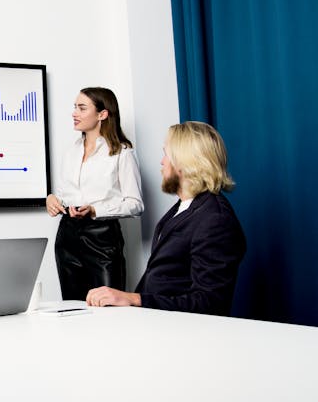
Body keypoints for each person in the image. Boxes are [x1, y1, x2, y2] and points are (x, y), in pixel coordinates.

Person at [86, 121, 246, 315]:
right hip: (157, 324)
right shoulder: (182, 207)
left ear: (185, 163)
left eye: (166, 154)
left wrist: (134, 299)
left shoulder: (215, 220)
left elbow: (209, 303)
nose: (162, 162)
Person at [46, 87, 143, 300]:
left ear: (102, 114)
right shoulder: (71, 152)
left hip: (102, 238)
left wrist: (95, 210)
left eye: (82, 108)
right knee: (72, 310)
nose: (74, 113)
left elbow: (136, 204)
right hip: (67, 236)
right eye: (75, 107)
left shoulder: (122, 153)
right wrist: (53, 199)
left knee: (108, 310)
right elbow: (66, 194)